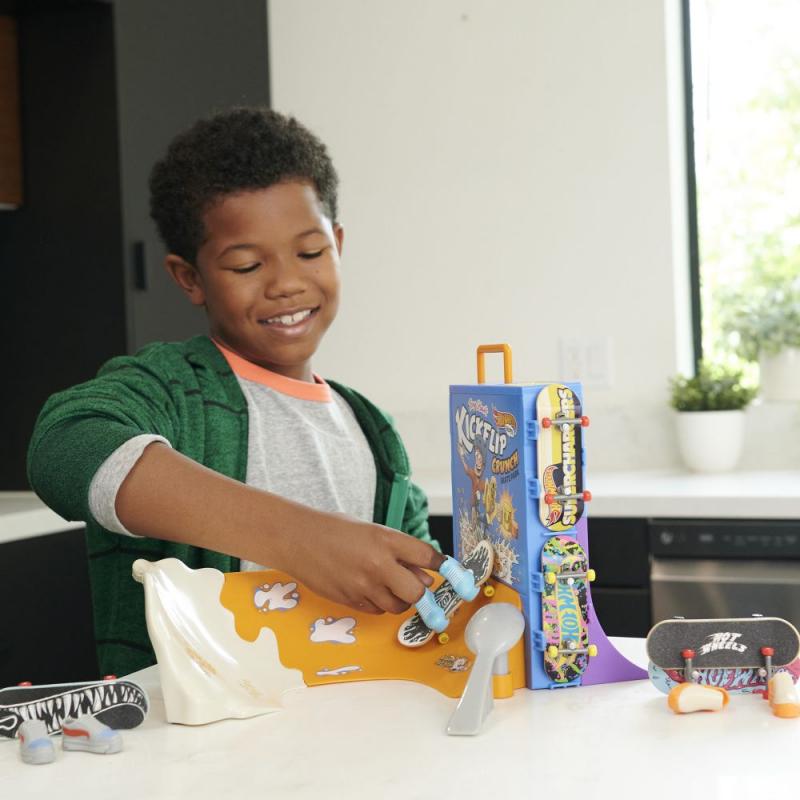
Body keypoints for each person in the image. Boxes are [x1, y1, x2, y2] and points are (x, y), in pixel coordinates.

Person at [27, 107, 443, 675]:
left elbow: (420, 606)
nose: (286, 283)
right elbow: (65, 443)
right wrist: (302, 540)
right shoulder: (175, 390)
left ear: (338, 244)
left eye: (310, 252)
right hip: (197, 729)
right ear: (190, 278)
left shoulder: (375, 431)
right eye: (247, 265)